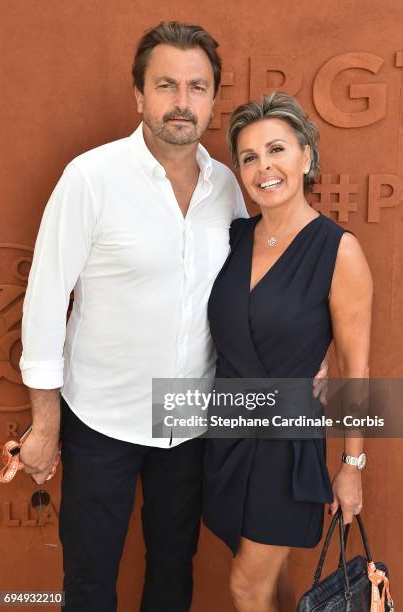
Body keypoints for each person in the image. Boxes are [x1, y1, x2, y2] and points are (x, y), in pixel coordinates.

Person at [18, 22, 328, 612]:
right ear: (139, 96)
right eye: (166, 85)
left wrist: (314, 352)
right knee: (88, 578)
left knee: (171, 570)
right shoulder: (91, 178)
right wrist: (45, 421)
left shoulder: (229, 189)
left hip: (189, 419)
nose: (181, 103)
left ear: (213, 98)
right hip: (100, 416)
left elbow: (258, 291)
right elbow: (45, 297)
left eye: (196, 87)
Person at [202, 92, 373, 612]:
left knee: (245, 587)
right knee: (261, 580)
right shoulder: (232, 237)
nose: (264, 167)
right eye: (249, 157)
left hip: (285, 444)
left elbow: (356, 370)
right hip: (225, 436)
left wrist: (351, 465)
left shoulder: (337, 250)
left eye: (277, 149)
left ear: (306, 155)